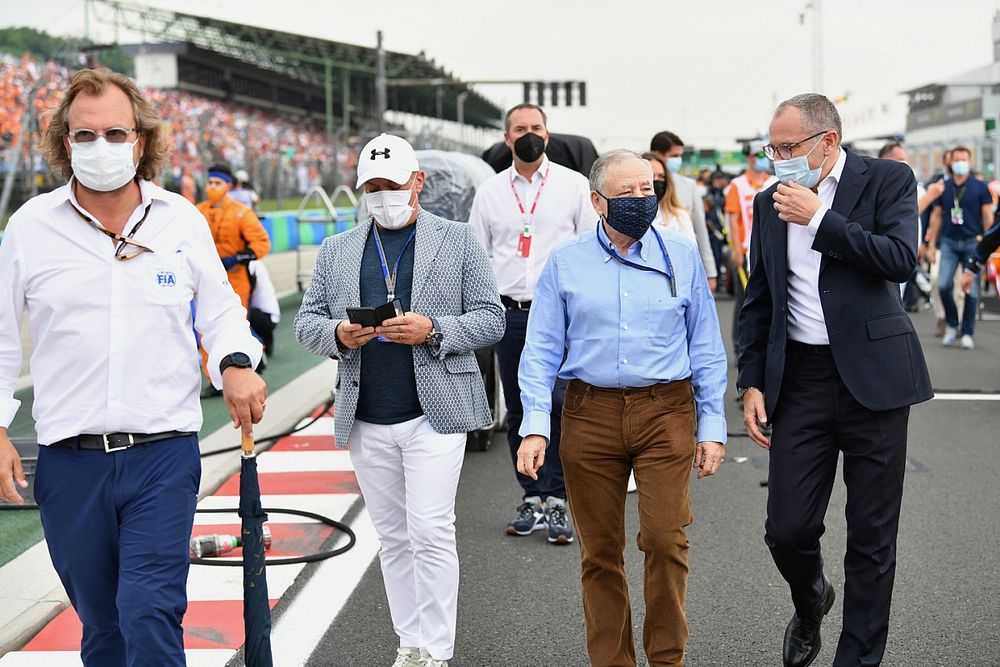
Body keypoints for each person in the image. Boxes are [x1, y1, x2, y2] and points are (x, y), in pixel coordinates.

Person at [0, 67, 266, 667]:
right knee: (103, 628)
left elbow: (222, 311)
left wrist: (234, 364)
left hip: (161, 456)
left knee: (149, 610)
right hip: (70, 464)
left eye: (115, 133)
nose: (100, 146)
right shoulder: (30, 228)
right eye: (84, 135)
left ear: (141, 141)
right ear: (64, 143)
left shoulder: (181, 220)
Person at [294, 133, 504, 667]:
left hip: (436, 409)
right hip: (366, 412)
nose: (382, 195)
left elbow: (492, 318)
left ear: (418, 182)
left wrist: (434, 329)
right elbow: (307, 320)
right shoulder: (338, 249)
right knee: (392, 537)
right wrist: (339, 335)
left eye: (392, 184)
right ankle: (409, 641)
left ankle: (438, 649)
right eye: (372, 187)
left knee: (431, 530)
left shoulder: (458, 241)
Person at [738, 93, 932, 667]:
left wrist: (820, 220)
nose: (777, 159)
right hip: (800, 379)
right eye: (771, 148)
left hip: (874, 378)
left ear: (828, 141)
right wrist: (751, 381)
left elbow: (899, 258)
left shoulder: (887, 180)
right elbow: (759, 299)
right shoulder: (770, 200)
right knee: (788, 529)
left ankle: (857, 658)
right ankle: (811, 597)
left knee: (872, 538)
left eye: (786, 147)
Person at [517, 149, 728, 667]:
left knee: (664, 539)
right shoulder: (566, 262)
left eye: (647, 189)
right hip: (589, 413)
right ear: (597, 202)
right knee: (600, 553)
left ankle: (666, 659)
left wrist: (713, 425)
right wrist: (534, 427)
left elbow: (705, 345)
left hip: (666, 410)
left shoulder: (681, 256)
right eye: (626, 193)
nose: (641, 200)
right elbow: (540, 350)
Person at [469, 103, 594, 544]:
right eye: (520, 129)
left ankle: (557, 499)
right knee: (520, 408)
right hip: (510, 314)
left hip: (560, 316)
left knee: (560, 404)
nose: (529, 135)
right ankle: (531, 495)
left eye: (536, 128)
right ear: (507, 138)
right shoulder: (489, 192)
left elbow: (590, 249)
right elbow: (476, 255)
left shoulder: (574, 185)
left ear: (548, 133)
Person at [926, 145, 994, 350]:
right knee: (944, 285)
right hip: (948, 242)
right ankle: (951, 325)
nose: (960, 163)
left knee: (971, 290)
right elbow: (936, 215)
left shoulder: (980, 187)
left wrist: (987, 247)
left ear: (970, 162)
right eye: (957, 159)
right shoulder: (943, 186)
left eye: (964, 159)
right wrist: (931, 244)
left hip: (973, 242)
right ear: (951, 162)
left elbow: (988, 217)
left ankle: (967, 332)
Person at [726, 140, 777, 358]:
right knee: (745, 301)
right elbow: (732, 218)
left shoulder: (774, 181)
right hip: (746, 251)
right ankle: (740, 347)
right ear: (749, 158)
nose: (763, 159)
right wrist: (736, 250)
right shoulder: (737, 185)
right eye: (758, 155)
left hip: (770, 249)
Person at [650, 130, 719, 290]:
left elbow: (700, 232)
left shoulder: (689, 186)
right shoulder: (642, 186)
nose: (678, 160)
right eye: (674, 156)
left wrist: (710, 273)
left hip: (681, 267)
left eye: (680, 155)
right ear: (658, 154)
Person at [196, 163, 272, 309]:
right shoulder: (197, 211)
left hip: (235, 279)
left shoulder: (242, 213)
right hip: (204, 279)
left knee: (235, 325)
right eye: (210, 182)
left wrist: (237, 258)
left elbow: (262, 244)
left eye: (218, 183)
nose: (212, 187)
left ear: (228, 186)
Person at [644, 152, 697, 242]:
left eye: (661, 176)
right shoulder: (630, 216)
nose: (656, 180)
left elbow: (690, 252)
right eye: (652, 176)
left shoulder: (680, 216)